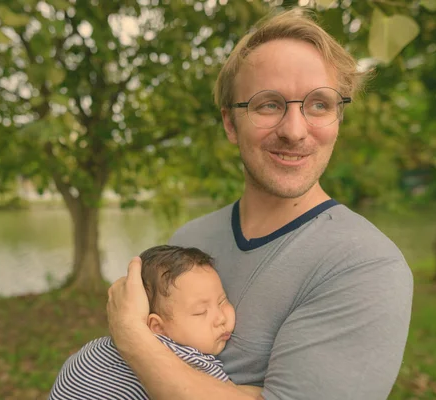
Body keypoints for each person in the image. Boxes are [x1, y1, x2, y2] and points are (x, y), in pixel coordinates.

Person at [106, 8, 413, 400]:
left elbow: (141, 347)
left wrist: (132, 337)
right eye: (268, 104)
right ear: (231, 124)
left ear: (338, 117)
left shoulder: (365, 266)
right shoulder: (191, 238)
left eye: (319, 104)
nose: (295, 130)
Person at [49, 245, 262, 400]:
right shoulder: (189, 359)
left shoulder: (95, 347)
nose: (220, 318)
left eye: (222, 301)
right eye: (200, 312)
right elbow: (228, 394)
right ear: (158, 328)